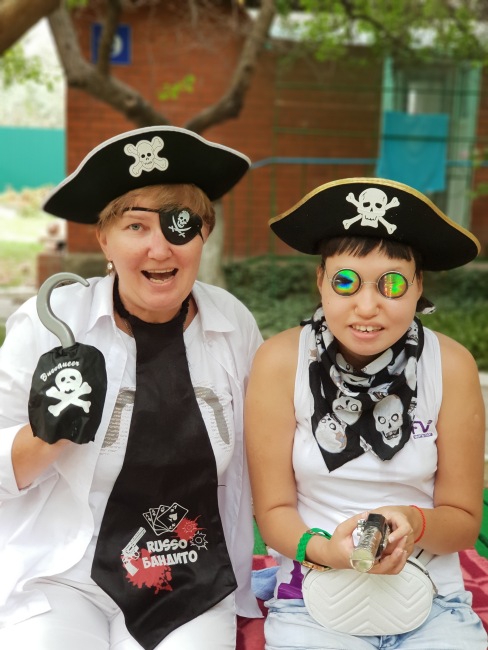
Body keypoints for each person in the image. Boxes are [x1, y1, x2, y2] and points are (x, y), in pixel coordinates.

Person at [0, 125, 263, 650]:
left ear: (202, 235)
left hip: (190, 576)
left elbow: (269, 457)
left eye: (178, 225)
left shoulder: (233, 325)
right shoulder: (51, 324)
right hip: (63, 572)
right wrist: (47, 434)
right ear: (104, 239)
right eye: (135, 226)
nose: (158, 248)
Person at [245, 177, 487, 649]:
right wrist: (328, 551)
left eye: (392, 284)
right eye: (345, 282)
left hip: (431, 595)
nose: (367, 306)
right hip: (312, 592)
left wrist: (413, 522)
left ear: (419, 286)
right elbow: (273, 511)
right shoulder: (280, 362)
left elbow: (462, 520)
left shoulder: (450, 366)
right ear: (321, 281)